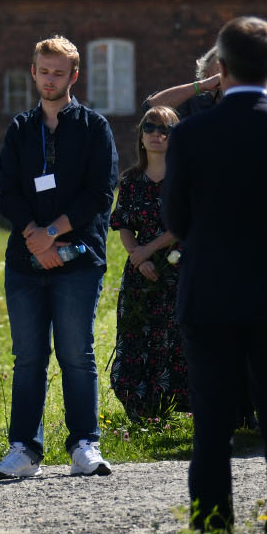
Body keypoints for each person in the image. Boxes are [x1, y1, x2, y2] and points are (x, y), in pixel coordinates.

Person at [162, 17, 267, 534]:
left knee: (211, 429)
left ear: (222, 68)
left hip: (210, 295)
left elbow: (175, 221)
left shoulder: (189, 135)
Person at [0, 35, 118, 481]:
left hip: (79, 260)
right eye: (43, 71)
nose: (50, 79)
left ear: (74, 76)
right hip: (25, 261)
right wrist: (34, 238)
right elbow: (7, 192)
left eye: (58, 73)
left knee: (76, 354)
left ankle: (85, 443)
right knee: (28, 357)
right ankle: (24, 448)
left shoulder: (94, 127)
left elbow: (100, 193)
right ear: (34, 72)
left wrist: (51, 234)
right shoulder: (20, 129)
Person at [109, 104, 188, 420]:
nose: (157, 135)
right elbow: (123, 222)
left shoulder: (184, 178)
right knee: (137, 337)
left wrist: (149, 249)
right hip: (140, 273)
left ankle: (175, 407)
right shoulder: (130, 180)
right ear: (141, 136)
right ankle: (141, 410)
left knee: (175, 338)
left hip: (179, 268)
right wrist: (137, 257)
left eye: (165, 130)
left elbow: (185, 222)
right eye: (150, 128)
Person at [144, 46, 223, 120]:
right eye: (223, 70)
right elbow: (152, 107)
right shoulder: (194, 104)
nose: (230, 76)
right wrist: (201, 85)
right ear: (208, 75)